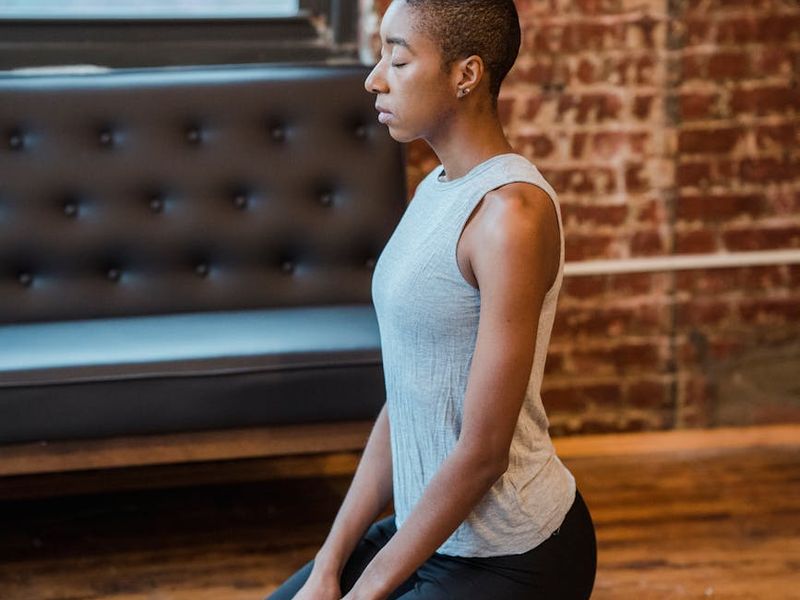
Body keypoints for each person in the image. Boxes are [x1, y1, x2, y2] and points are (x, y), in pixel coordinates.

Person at [265, 1, 597, 598]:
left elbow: (483, 451)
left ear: (465, 74)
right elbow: (408, 398)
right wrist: (330, 564)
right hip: (424, 531)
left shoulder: (510, 217)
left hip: (509, 555)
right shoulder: (434, 191)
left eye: (397, 56)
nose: (375, 77)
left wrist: (368, 591)